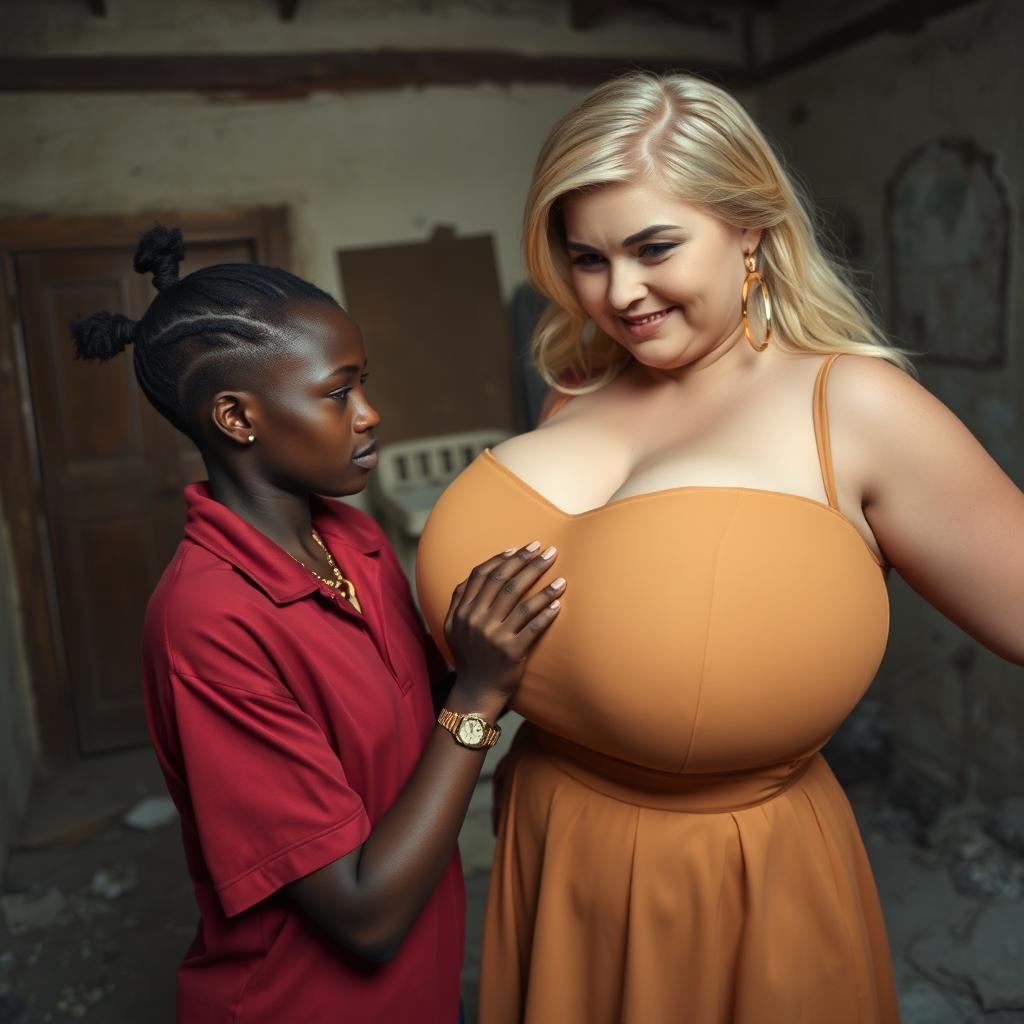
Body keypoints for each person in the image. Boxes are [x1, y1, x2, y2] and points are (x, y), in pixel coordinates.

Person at [414, 72, 1024, 1023]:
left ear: (751, 229)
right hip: (550, 841)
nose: (619, 293)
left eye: (655, 247)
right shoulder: (575, 389)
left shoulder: (853, 406)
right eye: (586, 258)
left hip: (734, 884)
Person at [70, 226, 567, 1024]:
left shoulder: (349, 537)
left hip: (422, 988)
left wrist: (486, 634)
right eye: (338, 393)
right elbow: (362, 913)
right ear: (237, 418)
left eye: (364, 382)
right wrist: (477, 696)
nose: (370, 414)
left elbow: (406, 717)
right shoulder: (206, 621)